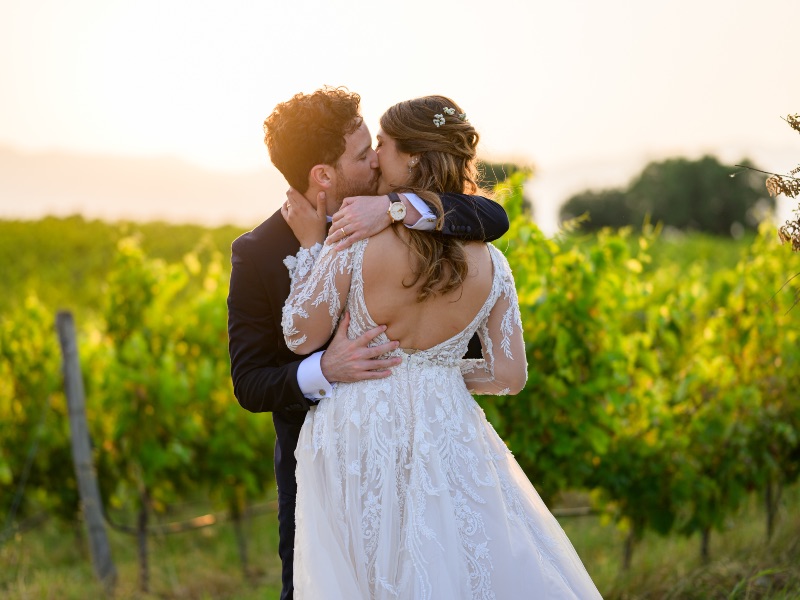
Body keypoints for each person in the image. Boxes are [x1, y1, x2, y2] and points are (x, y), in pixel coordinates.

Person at [281, 95, 603, 599]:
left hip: (360, 433)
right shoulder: (493, 264)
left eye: (382, 145)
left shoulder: (355, 239)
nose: (375, 155)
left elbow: (300, 335)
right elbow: (508, 375)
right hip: (446, 427)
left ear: (410, 159)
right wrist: (439, 371)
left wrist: (311, 246)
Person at [226, 87, 510, 600]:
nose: (377, 161)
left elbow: (492, 217)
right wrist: (324, 370)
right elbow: (249, 383)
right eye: (362, 154)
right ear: (323, 175)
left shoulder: (395, 207)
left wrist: (398, 208)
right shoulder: (257, 253)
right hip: (326, 472)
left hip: (429, 462)